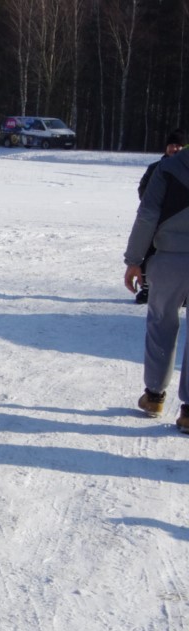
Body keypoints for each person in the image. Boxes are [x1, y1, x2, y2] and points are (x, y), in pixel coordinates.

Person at [124, 142, 189, 432]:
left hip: (169, 259)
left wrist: (134, 260)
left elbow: (148, 215)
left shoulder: (168, 167)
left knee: (161, 322)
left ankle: (154, 396)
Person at [133, 129, 186, 304]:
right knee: (150, 254)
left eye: (179, 145)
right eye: (172, 145)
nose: (175, 149)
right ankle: (147, 288)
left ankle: (184, 292)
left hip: (179, 223)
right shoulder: (155, 168)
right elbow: (143, 190)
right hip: (155, 221)